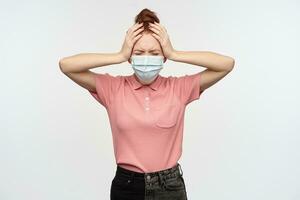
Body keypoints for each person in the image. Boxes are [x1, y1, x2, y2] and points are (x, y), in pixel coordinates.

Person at [59, 8, 235, 200]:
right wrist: (118, 55)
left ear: (163, 57)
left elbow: (226, 64)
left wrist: (174, 52)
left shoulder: (179, 88)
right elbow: (66, 65)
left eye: (154, 53)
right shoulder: (113, 88)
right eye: (139, 52)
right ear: (130, 57)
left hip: (170, 186)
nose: (146, 58)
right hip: (127, 186)